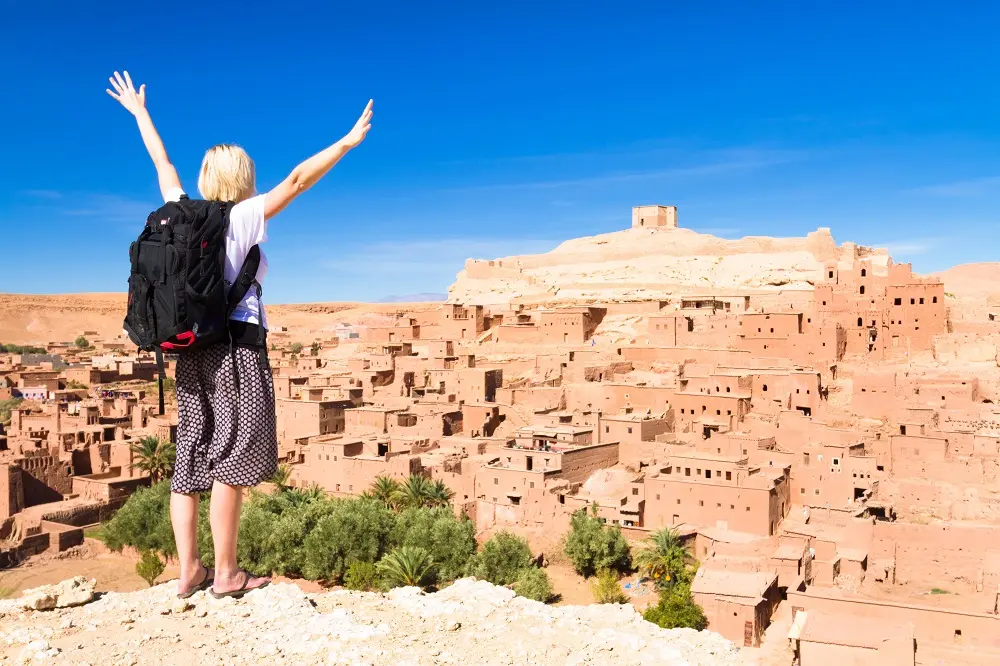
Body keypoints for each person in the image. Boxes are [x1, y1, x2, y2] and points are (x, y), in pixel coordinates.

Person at [107, 70, 372, 598]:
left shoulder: (179, 212)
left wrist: (140, 114)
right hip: (235, 352)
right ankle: (227, 573)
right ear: (244, 177)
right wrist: (345, 142)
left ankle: (189, 570)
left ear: (207, 177)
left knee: (190, 456)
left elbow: (163, 164)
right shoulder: (241, 218)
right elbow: (296, 181)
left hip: (190, 353)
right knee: (232, 456)